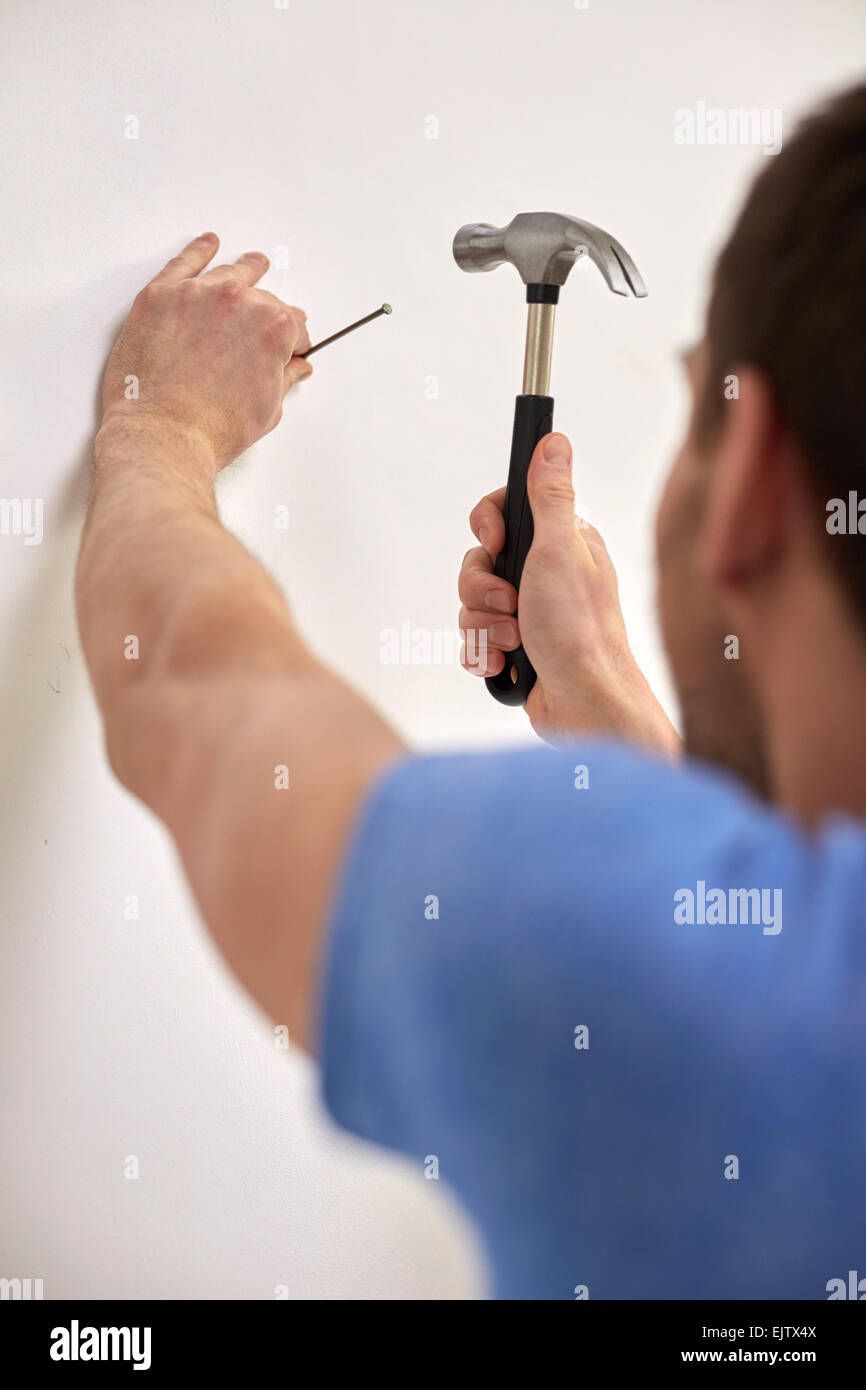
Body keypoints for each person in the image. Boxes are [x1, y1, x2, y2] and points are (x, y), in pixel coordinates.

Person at [77, 83, 866, 1300]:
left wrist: (163, 424)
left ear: (751, 472)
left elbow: (184, 686)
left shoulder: (655, 977)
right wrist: (603, 693)